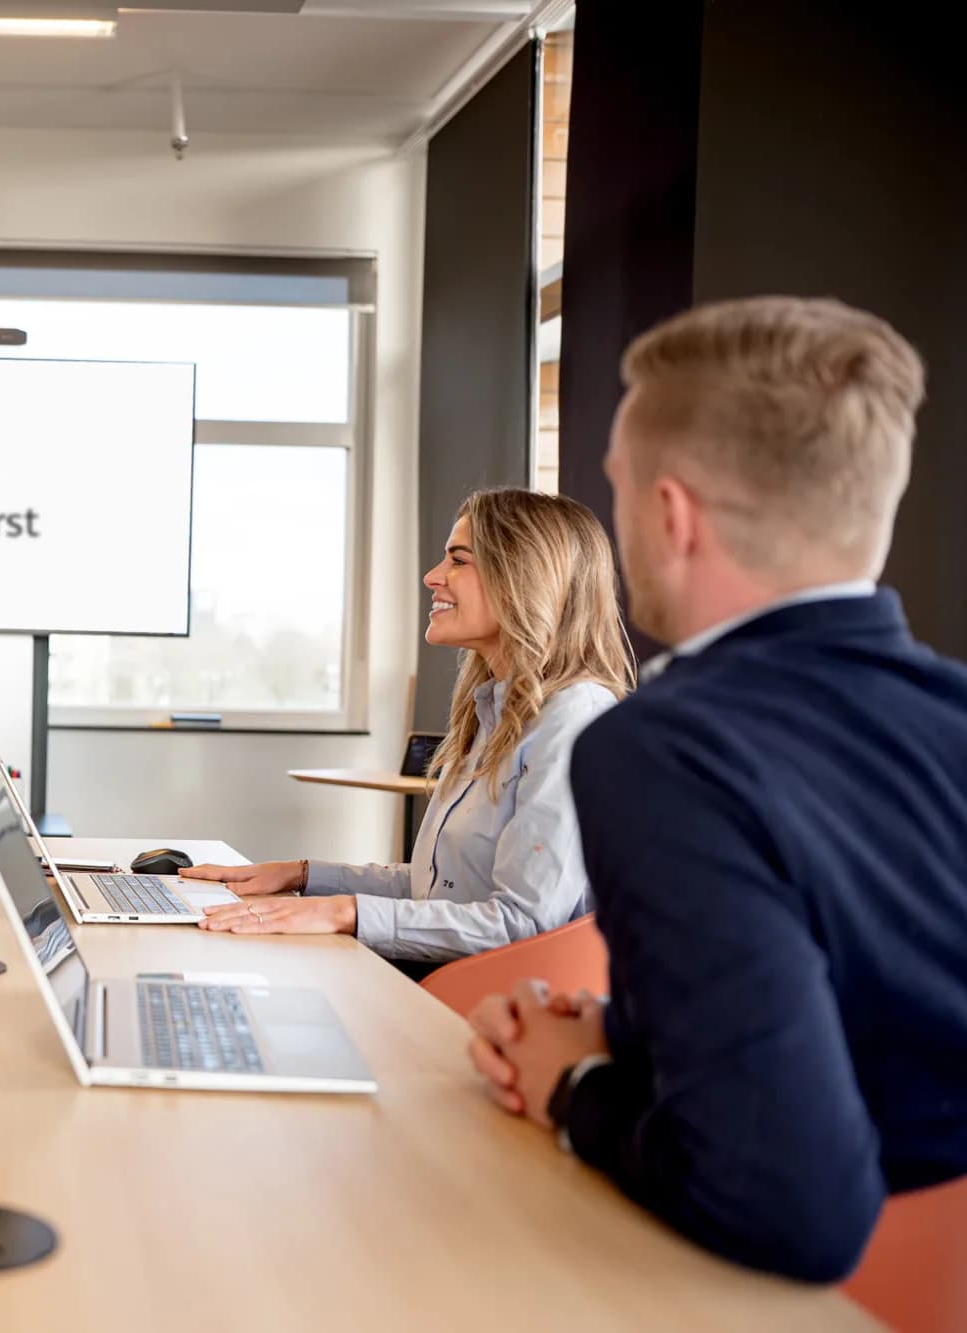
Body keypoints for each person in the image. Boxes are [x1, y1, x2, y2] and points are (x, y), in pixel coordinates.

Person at [465, 297, 967, 1281]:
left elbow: (786, 1205)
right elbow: (890, 1013)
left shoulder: (660, 751)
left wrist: (571, 1084)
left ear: (668, 514)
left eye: (613, 487)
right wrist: (618, 1026)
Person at [185, 488, 636, 968]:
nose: (432, 577)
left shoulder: (574, 720)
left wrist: (344, 912)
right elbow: (437, 887)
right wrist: (299, 876)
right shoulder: (494, 714)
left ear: (523, 578)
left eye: (458, 560)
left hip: (490, 1009)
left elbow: (520, 924)